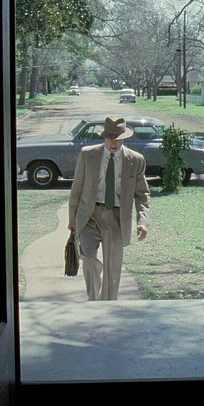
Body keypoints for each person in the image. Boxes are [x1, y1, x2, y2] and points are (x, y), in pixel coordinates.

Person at [68, 116, 151, 301]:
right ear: (104, 136)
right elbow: (76, 189)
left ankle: (108, 305)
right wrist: (72, 218)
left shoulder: (136, 160)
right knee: (89, 259)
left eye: (118, 139)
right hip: (89, 215)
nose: (114, 143)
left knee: (112, 269)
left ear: (124, 138)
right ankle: (93, 301)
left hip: (116, 217)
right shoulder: (87, 155)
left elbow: (142, 195)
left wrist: (143, 221)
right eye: (110, 138)